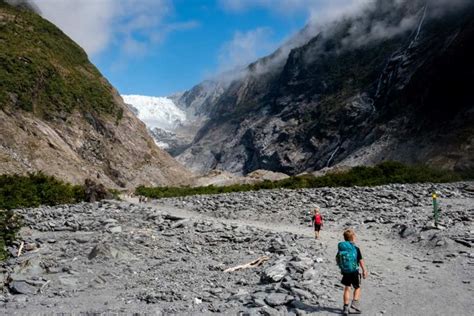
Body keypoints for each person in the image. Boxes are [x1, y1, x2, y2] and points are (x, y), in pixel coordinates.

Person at [336, 229, 368, 315]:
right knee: (357, 287)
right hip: (354, 271)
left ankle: (345, 308)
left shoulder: (342, 248)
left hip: (345, 271)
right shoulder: (356, 249)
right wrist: (364, 270)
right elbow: (360, 261)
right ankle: (354, 305)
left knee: (347, 288)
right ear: (353, 237)